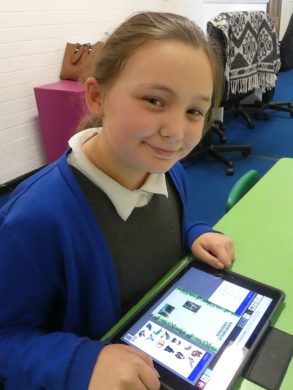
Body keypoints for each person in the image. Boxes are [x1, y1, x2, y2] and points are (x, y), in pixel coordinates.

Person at [0, 11, 234, 390]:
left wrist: (193, 232)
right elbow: (6, 337)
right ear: (97, 96)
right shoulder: (33, 219)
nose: (175, 132)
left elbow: (161, 228)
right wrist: (80, 361)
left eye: (194, 110)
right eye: (155, 100)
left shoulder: (169, 172)